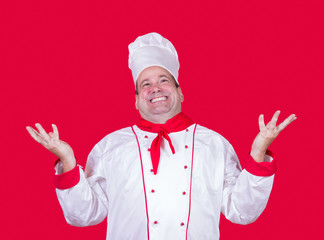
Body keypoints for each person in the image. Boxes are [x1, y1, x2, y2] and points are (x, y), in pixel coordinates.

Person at [26, 32, 297, 240]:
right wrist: (68, 161)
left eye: (163, 80)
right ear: (136, 100)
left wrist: (259, 153)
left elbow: (242, 211)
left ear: (180, 93)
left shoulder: (213, 143)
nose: (155, 88)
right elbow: (85, 215)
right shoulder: (111, 146)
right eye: (145, 84)